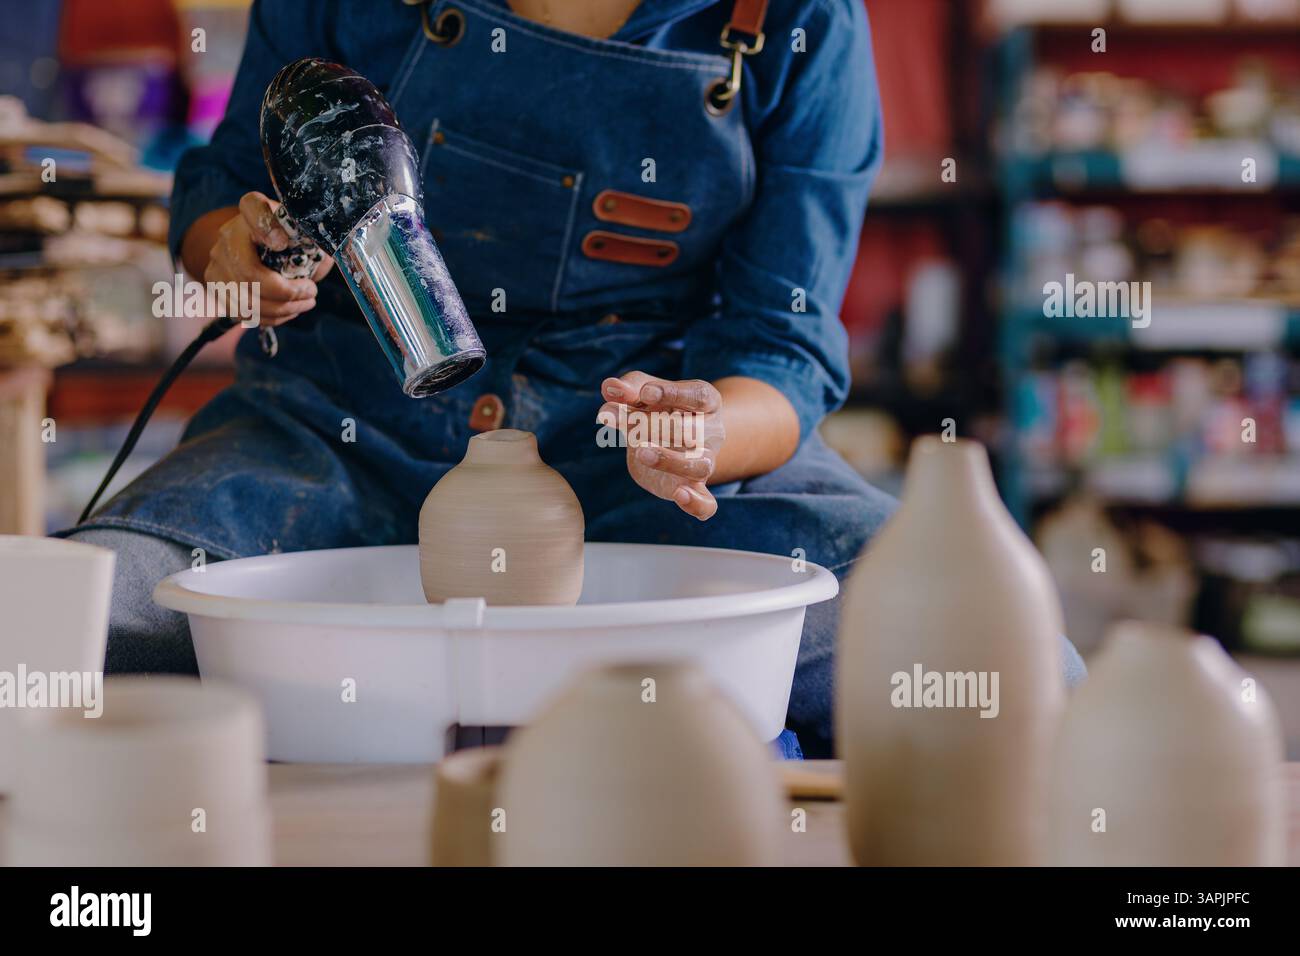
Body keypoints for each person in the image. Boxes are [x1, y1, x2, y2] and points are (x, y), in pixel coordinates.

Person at [63, 0, 1085, 758]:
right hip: (338, 432)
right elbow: (218, 185)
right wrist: (234, 258)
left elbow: (783, 347)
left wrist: (701, 432)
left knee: (996, 661)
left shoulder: (798, 21)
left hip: (640, 466)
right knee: (72, 631)